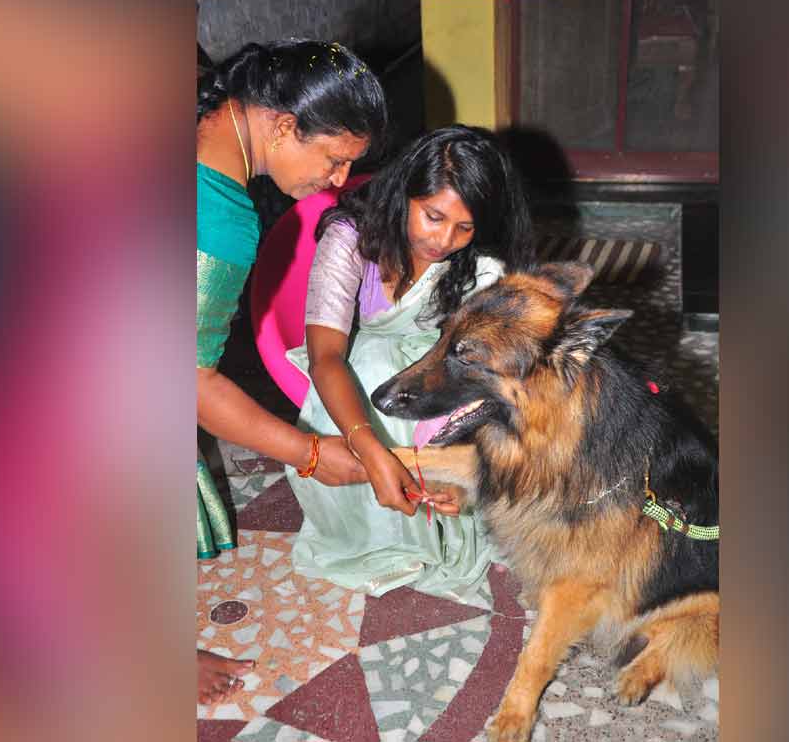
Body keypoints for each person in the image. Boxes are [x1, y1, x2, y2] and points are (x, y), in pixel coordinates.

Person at [195, 39, 386, 703]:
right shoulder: (217, 217)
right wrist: (309, 454)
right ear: (283, 126)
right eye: (334, 159)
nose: (337, 181)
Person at [285, 125, 535, 605]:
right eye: (433, 216)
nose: (444, 240)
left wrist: (458, 472)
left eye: (464, 227)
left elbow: (490, 366)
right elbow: (326, 357)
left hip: (446, 364)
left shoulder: (482, 264)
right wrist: (370, 450)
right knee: (378, 370)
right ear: (405, 195)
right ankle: (377, 534)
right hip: (356, 363)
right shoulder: (351, 239)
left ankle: (448, 501)